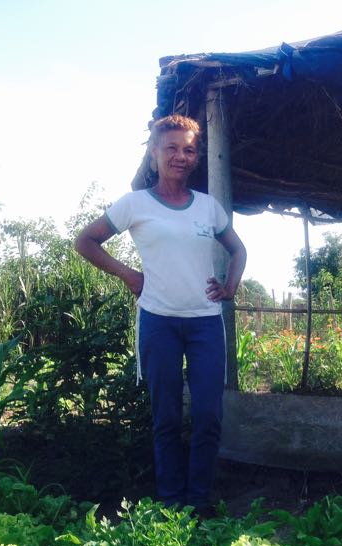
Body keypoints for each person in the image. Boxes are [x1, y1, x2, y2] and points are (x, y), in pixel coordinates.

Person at [74, 114, 246, 515]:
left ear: (196, 156)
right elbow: (85, 241)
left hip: (205, 322)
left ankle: (198, 501)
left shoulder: (208, 207)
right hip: (158, 322)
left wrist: (231, 285)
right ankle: (171, 503)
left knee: (207, 415)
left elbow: (238, 249)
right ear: (154, 154)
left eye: (188, 150)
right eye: (171, 148)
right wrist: (129, 275)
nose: (180, 156)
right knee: (166, 416)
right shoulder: (135, 204)